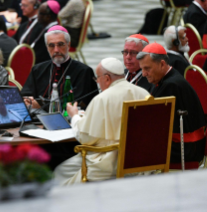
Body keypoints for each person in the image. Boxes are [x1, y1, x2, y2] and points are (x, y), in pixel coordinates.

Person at [54, 57, 149, 185]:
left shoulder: (102, 99)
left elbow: (85, 138)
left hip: (108, 163)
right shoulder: (144, 93)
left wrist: (75, 116)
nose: (97, 82)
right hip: (141, 161)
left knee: (59, 172)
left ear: (107, 78)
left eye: (97, 78)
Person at [136, 42, 206, 164]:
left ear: (162, 64)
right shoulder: (168, 78)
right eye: (142, 69)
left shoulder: (171, 85)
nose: (143, 74)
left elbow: (154, 124)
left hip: (185, 148)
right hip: (186, 144)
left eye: (147, 68)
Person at [22, 25, 98, 110]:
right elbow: (26, 94)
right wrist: (27, 100)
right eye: (51, 45)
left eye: (60, 44)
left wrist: (42, 105)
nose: (56, 50)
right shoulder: (37, 69)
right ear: (47, 48)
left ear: (68, 45)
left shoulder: (84, 72)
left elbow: (80, 103)